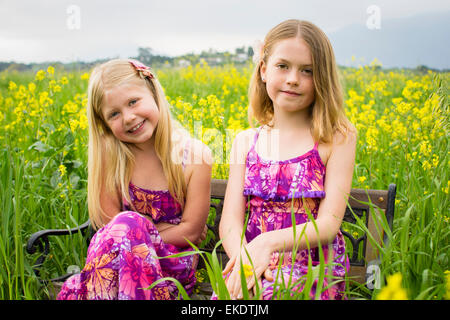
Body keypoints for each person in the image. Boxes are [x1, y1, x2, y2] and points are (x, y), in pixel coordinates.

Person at [217, 19, 356, 300]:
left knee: (274, 293)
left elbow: (329, 223)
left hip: (312, 268)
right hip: (253, 261)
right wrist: (246, 259)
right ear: (264, 70)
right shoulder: (245, 142)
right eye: (283, 66)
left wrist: (268, 243)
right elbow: (230, 220)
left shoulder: (336, 138)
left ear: (323, 79)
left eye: (307, 71)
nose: (293, 78)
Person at [57, 59, 212, 300]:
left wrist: (139, 231)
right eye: (114, 114)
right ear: (105, 124)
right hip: (118, 268)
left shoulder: (194, 156)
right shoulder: (112, 157)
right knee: (128, 225)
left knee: (129, 224)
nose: (128, 117)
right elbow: (110, 228)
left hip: (169, 272)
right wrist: (147, 229)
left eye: (133, 102)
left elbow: (191, 233)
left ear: (153, 92)